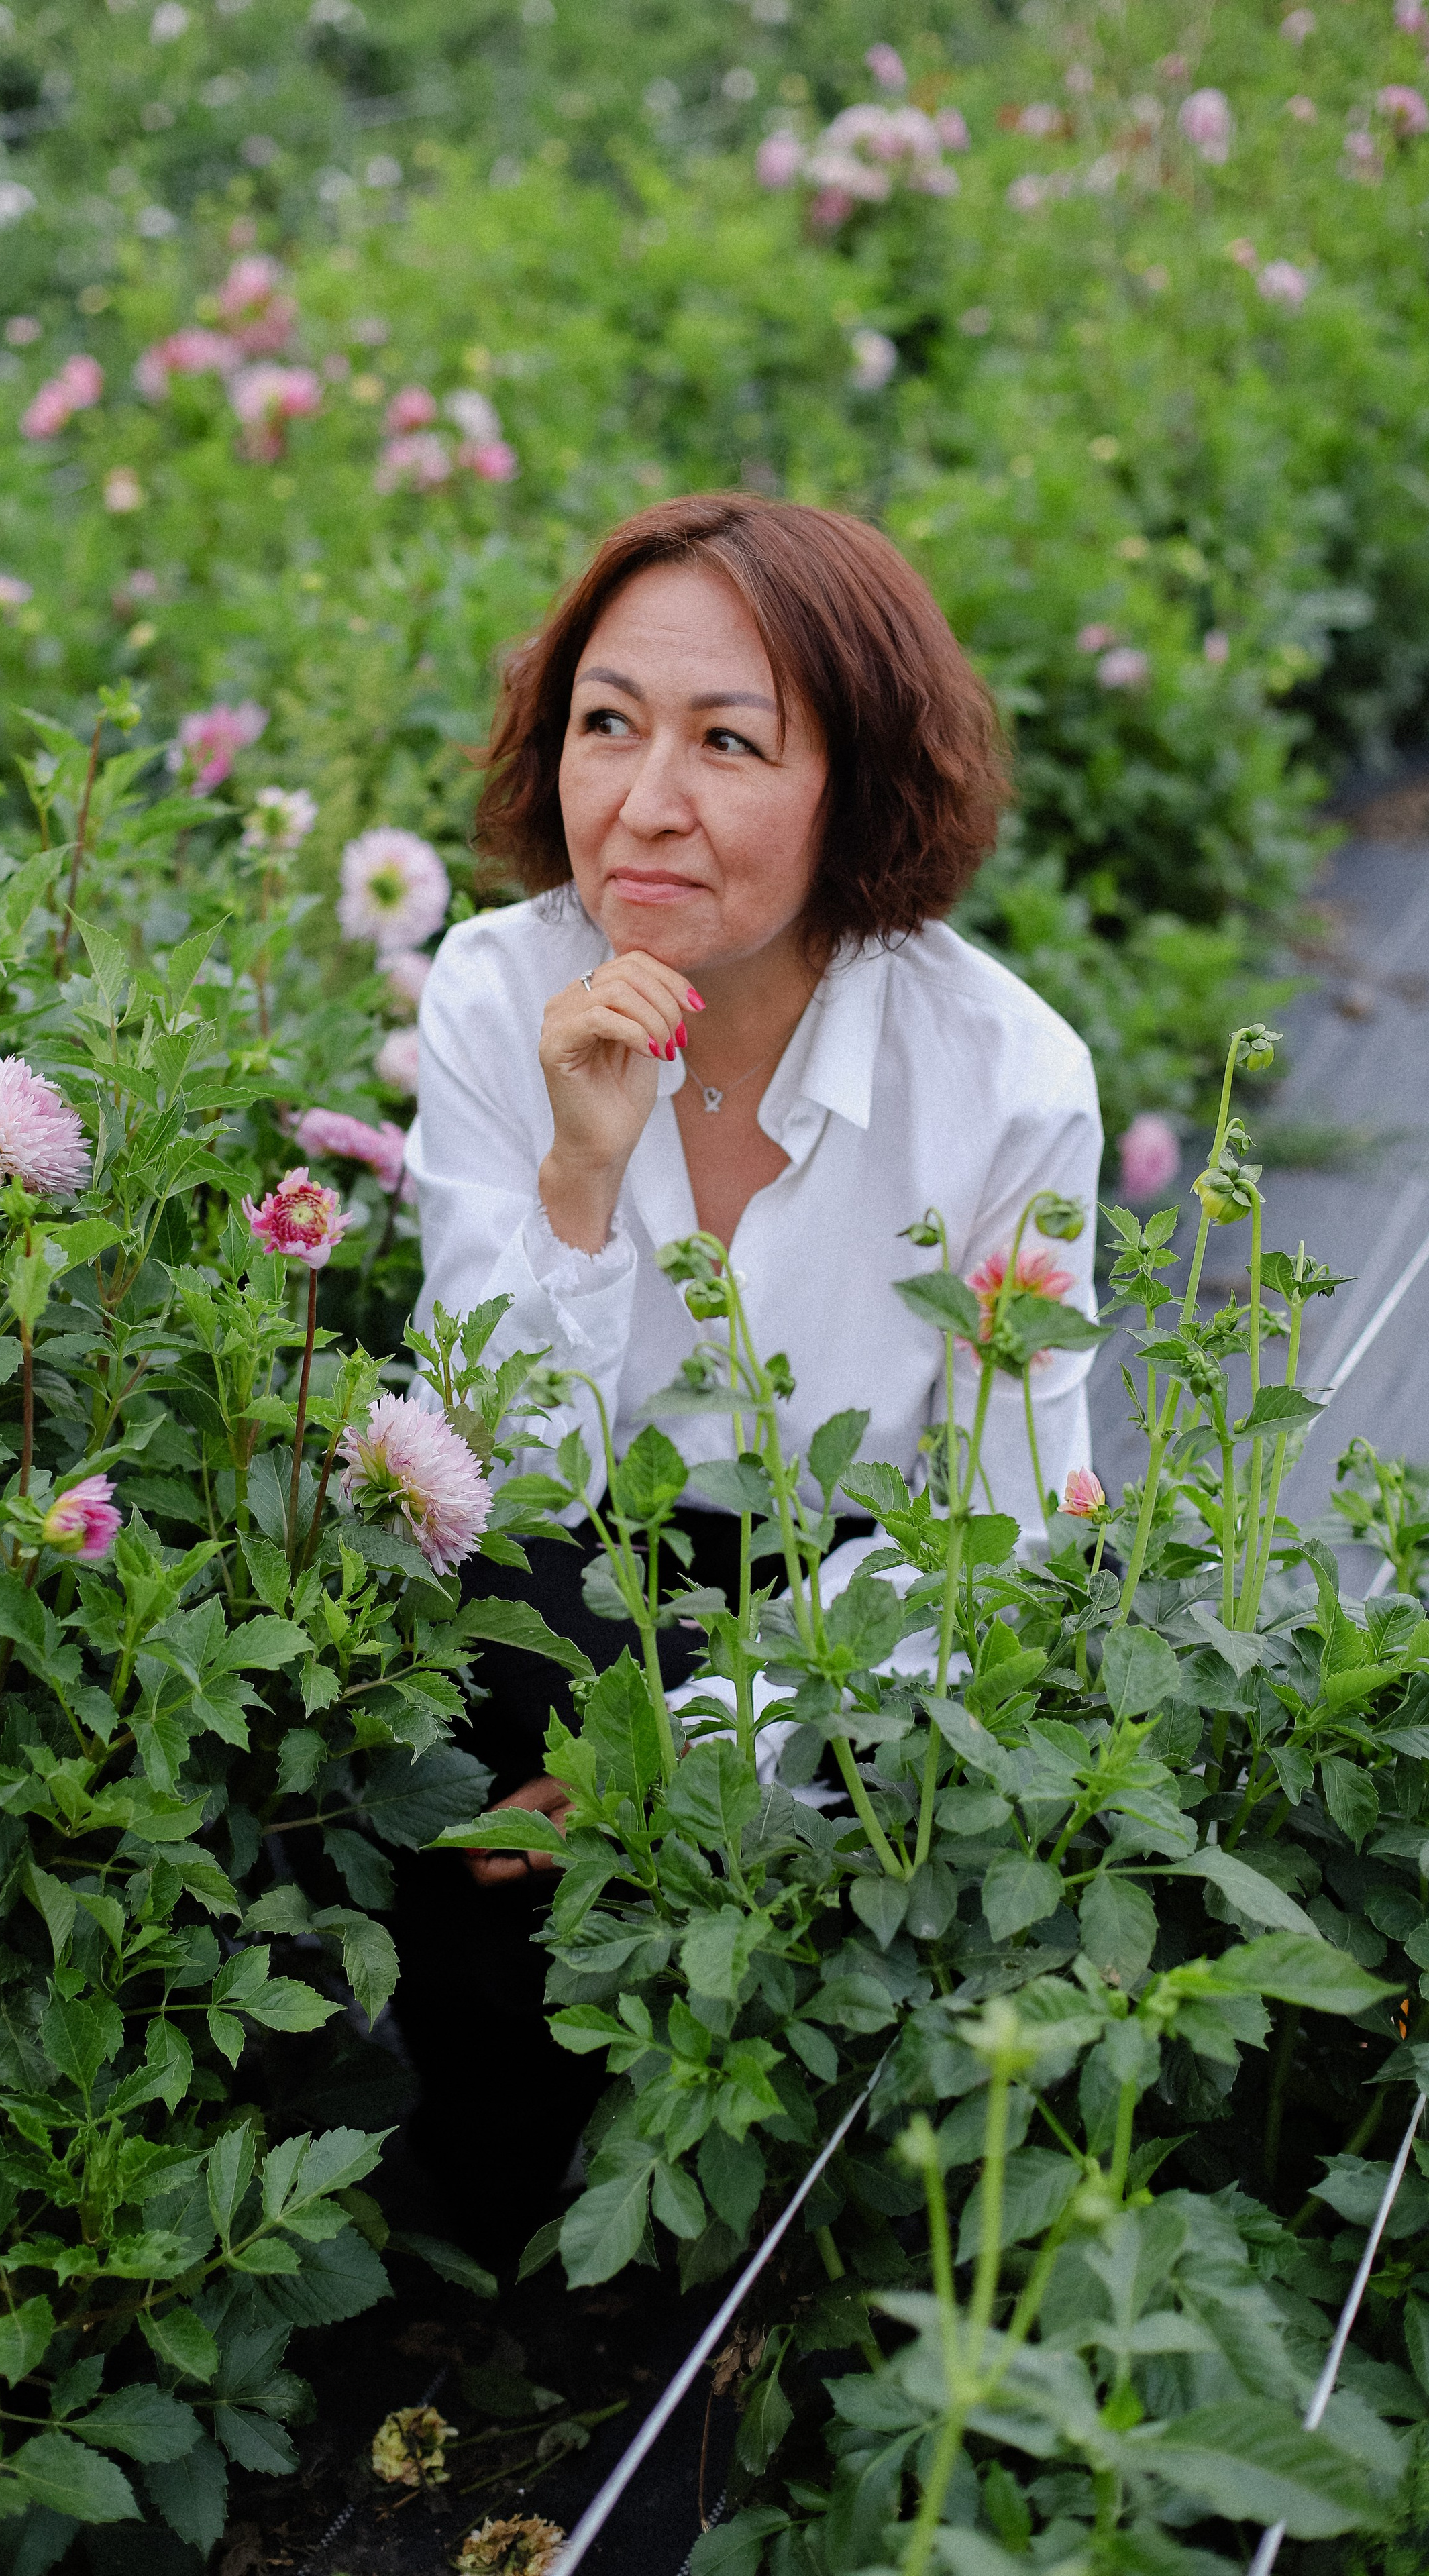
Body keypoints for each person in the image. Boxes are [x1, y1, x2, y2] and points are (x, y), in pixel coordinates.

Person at [387, 494, 1102, 2259]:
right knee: (463, 1731)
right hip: (569, 1579)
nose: (643, 803)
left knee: (898, 1854)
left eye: (730, 742)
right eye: (608, 723)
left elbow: (1001, 1543)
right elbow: (503, 1482)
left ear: (856, 785)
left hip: (859, 1608)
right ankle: (476, 2260)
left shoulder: (1003, 1080)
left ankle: (757, 2264)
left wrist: (685, 1760)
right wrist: (579, 1176)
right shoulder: (497, 994)